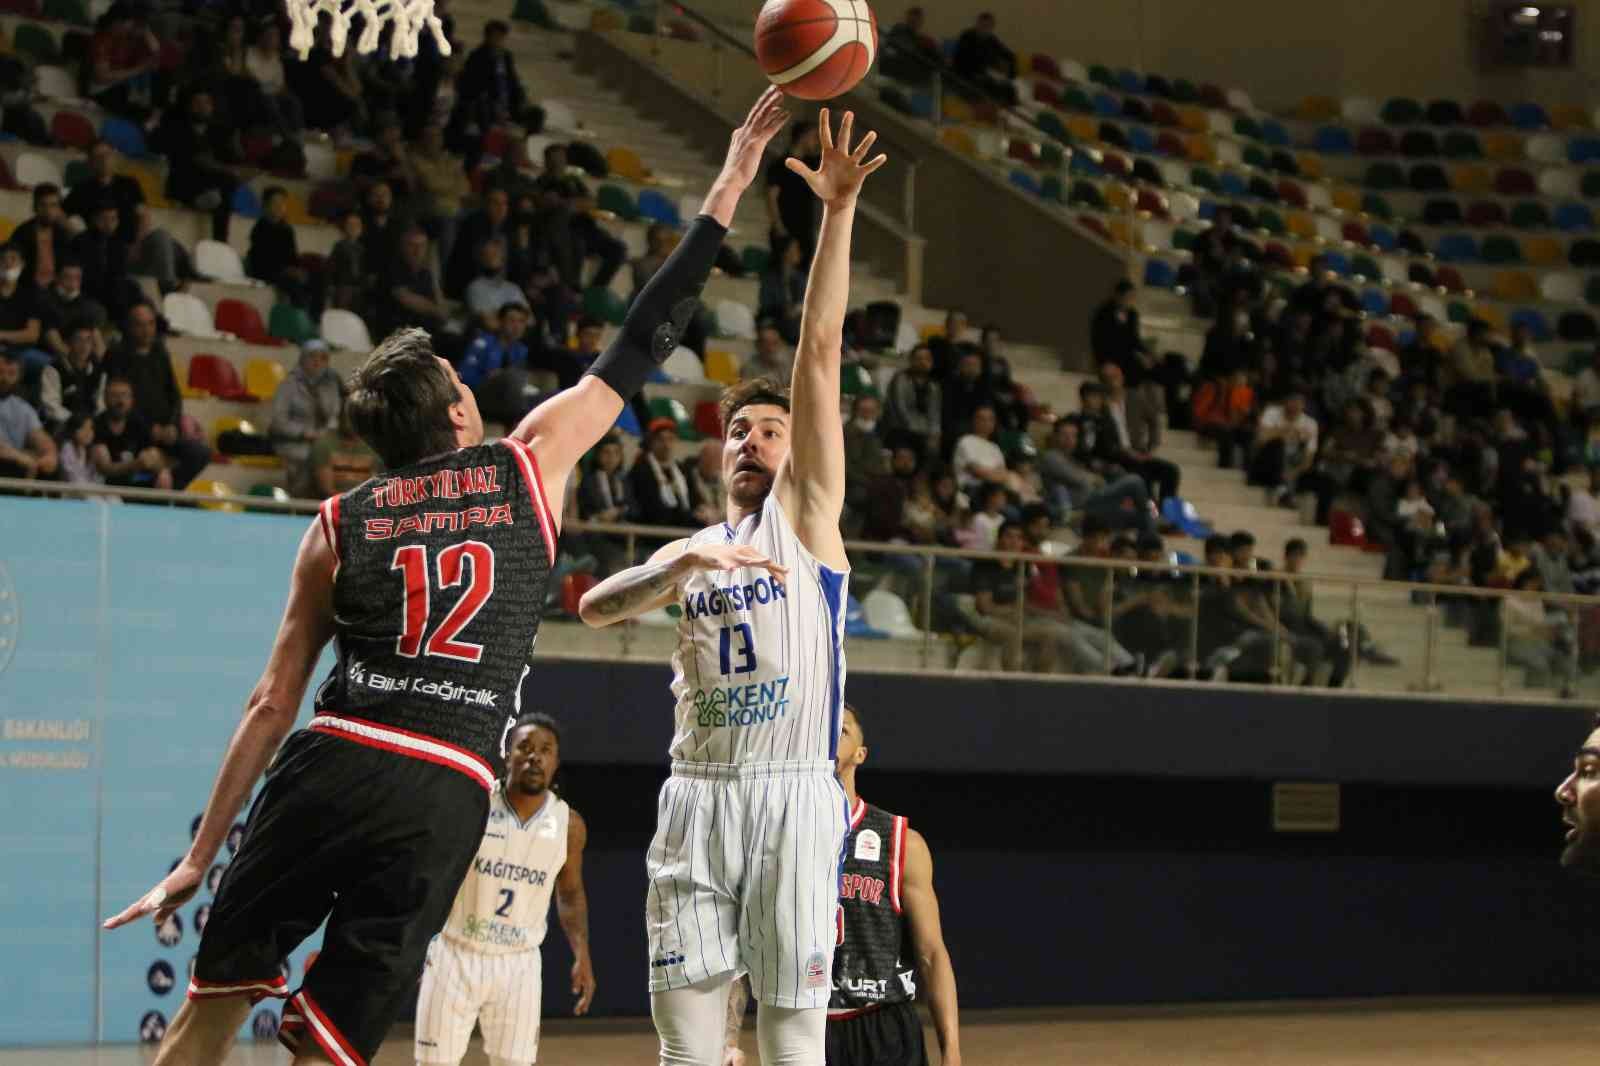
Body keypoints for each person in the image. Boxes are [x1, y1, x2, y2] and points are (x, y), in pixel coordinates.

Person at [102, 86, 794, 1066]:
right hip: (445, 788)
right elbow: (645, 336)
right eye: (465, 386)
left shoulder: (336, 524)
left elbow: (270, 703)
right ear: (459, 418)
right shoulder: (526, 464)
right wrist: (728, 184)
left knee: (209, 1013)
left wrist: (199, 855)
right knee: (330, 1047)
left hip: (335, 757)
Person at [576, 106, 886, 1066]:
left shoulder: (809, 522)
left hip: (792, 795)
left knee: (791, 1041)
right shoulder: (695, 551)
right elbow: (592, 608)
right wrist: (676, 566)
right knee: (686, 1049)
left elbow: (820, 349)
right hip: (696, 796)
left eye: (771, 430)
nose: (751, 441)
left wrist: (836, 213)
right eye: (738, 431)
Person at [724, 704, 960, 1066]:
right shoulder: (773, 839)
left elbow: (932, 954)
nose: (829, 734)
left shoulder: (900, 841)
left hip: (883, 1027)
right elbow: (744, 946)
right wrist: (728, 1040)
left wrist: (951, 1050)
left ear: (861, 754)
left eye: (842, 729)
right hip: (803, 1024)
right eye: (822, 726)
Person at [413, 713, 595, 1066]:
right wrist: (419, 944)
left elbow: (570, 894)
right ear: (507, 755)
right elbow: (434, 878)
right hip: (454, 953)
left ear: (556, 762)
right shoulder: (473, 805)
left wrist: (582, 952)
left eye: (545, 750)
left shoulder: (568, 825)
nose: (534, 756)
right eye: (524, 747)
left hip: (519, 963)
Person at [102, 301, 210, 489]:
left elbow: (174, 395)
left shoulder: (160, 353)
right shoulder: (117, 355)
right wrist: (151, 429)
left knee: (200, 453)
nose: (146, 330)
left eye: (150, 324)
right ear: (130, 326)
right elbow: (118, 402)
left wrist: (172, 425)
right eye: (140, 325)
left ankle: (168, 490)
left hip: (165, 431)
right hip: (132, 432)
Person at [156, 89, 240, 243]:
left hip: (211, 182)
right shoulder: (177, 127)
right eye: (197, 103)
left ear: (212, 107)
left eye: (206, 103)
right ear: (190, 106)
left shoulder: (219, 132)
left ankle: (220, 241)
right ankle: (196, 202)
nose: (202, 107)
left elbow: (230, 160)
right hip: (184, 178)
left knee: (227, 185)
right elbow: (170, 151)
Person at [269, 341, 343, 499]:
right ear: (303, 359)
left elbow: (336, 415)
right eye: (312, 356)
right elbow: (278, 422)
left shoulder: (331, 385)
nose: (317, 361)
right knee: (309, 457)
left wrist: (326, 433)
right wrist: (305, 433)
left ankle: (336, 500)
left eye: (323, 358)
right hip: (295, 441)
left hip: (325, 440)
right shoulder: (288, 385)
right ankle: (302, 502)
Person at [91, 374, 167, 489]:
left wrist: (161, 469)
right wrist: (136, 464)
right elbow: (105, 468)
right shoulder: (97, 425)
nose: (120, 401)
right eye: (114, 396)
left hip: (137, 480)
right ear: (105, 399)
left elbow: (154, 454)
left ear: (132, 400)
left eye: (124, 395)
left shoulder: (138, 422)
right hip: (108, 486)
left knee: (164, 476)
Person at [1249, 388, 1319, 509]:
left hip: (1291, 467)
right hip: (1265, 464)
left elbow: (1309, 457)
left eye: (1299, 402)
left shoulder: (1310, 424)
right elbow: (1261, 439)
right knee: (1277, 444)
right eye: (1292, 401)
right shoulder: (1272, 413)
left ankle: (1283, 489)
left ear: (1304, 405)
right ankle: (1283, 490)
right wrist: (1287, 430)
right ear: (1285, 401)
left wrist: (1293, 473)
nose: (1295, 405)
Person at [766, 121, 821, 264]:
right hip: (786, 228)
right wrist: (779, 228)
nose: (816, 142)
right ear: (803, 137)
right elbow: (772, 198)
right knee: (780, 271)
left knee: (804, 272)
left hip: (805, 228)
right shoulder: (780, 165)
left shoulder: (812, 164)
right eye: (813, 137)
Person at [629, 417, 697, 529]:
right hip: (655, 530)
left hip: (683, 529)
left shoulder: (682, 469)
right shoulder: (641, 470)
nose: (666, 445)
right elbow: (649, 507)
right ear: (652, 442)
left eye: (670, 439)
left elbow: (694, 500)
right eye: (661, 440)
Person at [38, 321, 104, 433]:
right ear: (67, 343)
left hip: (91, 427)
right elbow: (50, 406)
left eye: (88, 340)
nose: (84, 345)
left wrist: (91, 424)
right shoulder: (53, 369)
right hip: (62, 426)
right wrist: (76, 424)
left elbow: (101, 405)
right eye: (79, 340)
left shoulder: (98, 370)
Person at [0, 349, 56, 480]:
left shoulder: (23, 408)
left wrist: (50, 454)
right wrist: (20, 457)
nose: (4, 378)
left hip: (16, 465)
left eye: (11, 373)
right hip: (8, 462)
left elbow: (40, 437)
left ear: (19, 377)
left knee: (50, 469)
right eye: (0, 372)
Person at [882, 342, 941, 454]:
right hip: (900, 428)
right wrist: (919, 431)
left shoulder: (933, 386)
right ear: (912, 361)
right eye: (919, 359)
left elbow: (934, 413)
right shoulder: (900, 380)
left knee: (934, 447)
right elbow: (899, 409)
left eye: (927, 359)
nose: (923, 362)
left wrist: (935, 434)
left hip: (923, 431)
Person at [11, 183, 70, 292]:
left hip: (57, 291)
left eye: (53, 205)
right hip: (28, 290)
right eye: (43, 205)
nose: (48, 211)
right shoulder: (22, 234)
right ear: (34, 207)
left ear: (59, 208)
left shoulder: (62, 234)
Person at [308, 409, 379, 498]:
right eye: (347, 417)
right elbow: (326, 489)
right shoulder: (324, 444)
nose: (349, 423)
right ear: (339, 418)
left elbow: (373, 486)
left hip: (362, 501)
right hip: (332, 502)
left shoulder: (372, 447)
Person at [951, 12, 1017, 105]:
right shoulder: (967, 36)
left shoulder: (991, 39)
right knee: (992, 86)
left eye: (989, 27)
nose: (985, 29)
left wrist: (1010, 76)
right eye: (983, 25)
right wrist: (987, 72)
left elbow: (1009, 55)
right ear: (977, 24)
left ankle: (1012, 108)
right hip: (967, 74)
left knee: (1009, 87)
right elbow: (963, 61)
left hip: (987, 74)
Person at [464, 236, 528, 332]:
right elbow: (490, 324)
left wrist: (499, 316)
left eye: (496, 254)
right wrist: (516, 323)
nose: (493, 258)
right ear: (481, 259)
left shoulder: (513, 288)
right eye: (489, 255)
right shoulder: (475, 288)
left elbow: (530, 320)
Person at [759, 235, 807, 344]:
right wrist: (785, 311)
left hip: (796, 319)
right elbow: (766, 305)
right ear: (785, 253)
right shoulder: (770, 278)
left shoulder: (800, 277)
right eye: (795, 249)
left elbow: (804, 301)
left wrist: (797, 309)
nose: (799, 252)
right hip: (777, 320)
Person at [742, 319, 795, 383]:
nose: (771, 349)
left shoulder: (788, 363)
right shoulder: (749, 369)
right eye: (766, 344)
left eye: (775, 343)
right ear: (758, 346)